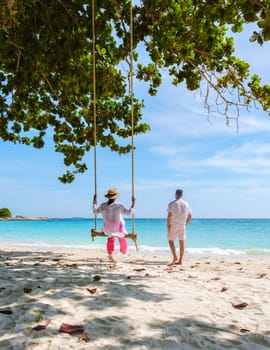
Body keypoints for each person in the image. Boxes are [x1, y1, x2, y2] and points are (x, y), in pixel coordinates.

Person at [93, 188, 135, 262]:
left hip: (107, 228)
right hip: (118, 227)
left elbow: (95, 212)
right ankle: (123, 252)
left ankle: (110, 255)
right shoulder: (119, 205)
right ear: (115, 197)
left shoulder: (103, 205)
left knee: (110, 239)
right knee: (122, 238)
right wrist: (133, 204)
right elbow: (128, 213)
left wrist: (94, 202)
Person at [167, 189, 192, 265]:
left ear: (176, 194)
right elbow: (190, 216)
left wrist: (168, 224)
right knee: (182, 242)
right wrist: (185, 223)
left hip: (174, 224)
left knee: (171, 241)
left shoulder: (172, 203)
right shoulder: (186, 204)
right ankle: (180, 260)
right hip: (182, 225)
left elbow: (169, 216)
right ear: (182, 195)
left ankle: (175, 257)